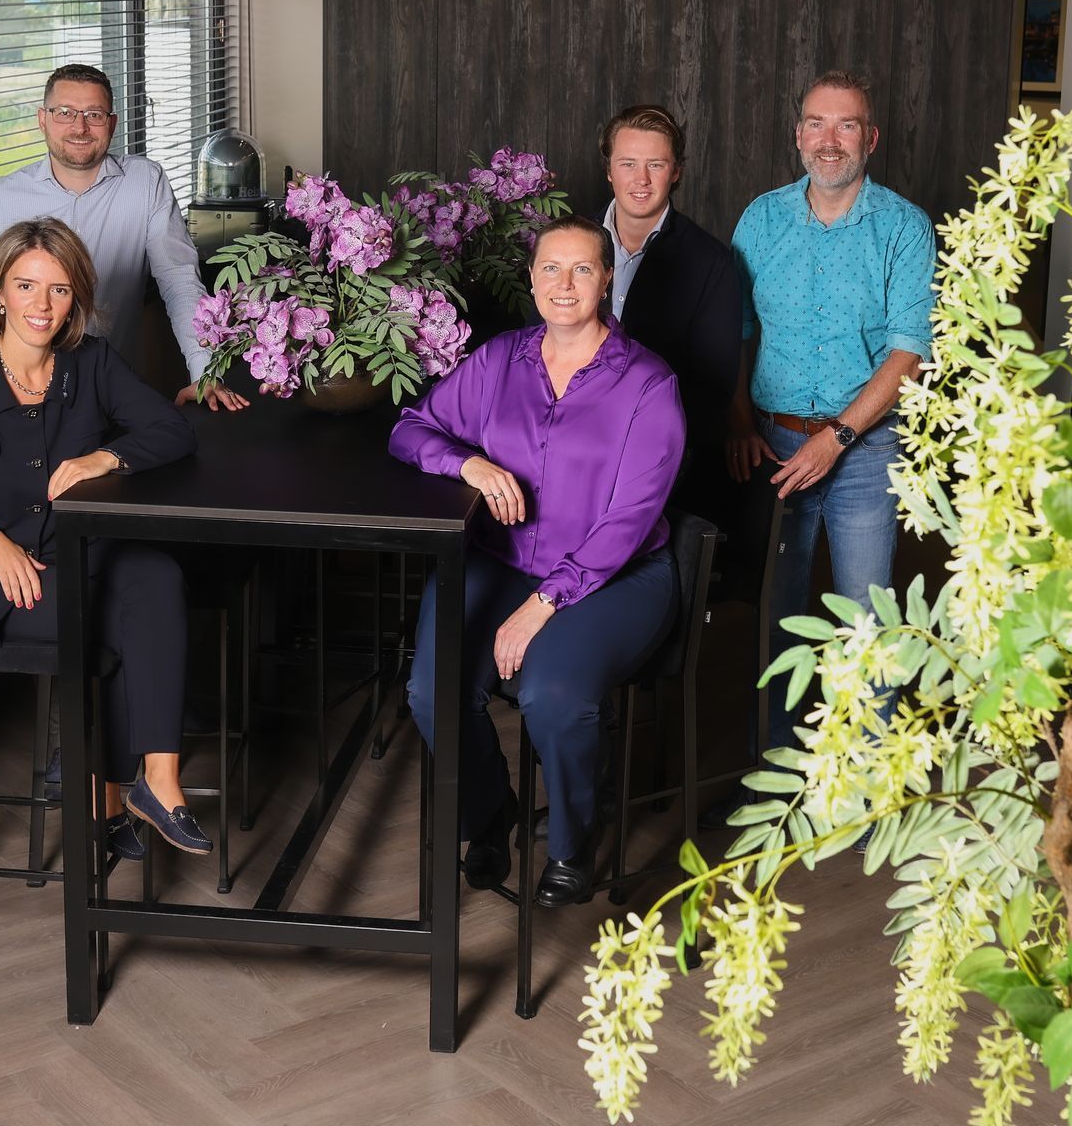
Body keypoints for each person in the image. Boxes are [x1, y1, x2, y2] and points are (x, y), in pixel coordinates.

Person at [0, 218, 212, 861]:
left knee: (156, 575)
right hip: (2, 584)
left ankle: (159, 784)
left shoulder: (90, 365)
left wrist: (104, 460)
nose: (41, 305)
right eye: (26, 286)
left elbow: (174, 431)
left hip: (81, 558)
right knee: (122, 622)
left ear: (76, 299)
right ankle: (109, 799)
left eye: (59, 290)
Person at [390, 215, 685, 906]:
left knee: (552, 696)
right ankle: (490, 812)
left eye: (582, 268)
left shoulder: (649, 383)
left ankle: (574, 845)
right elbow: (411, 428)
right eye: (551, 267)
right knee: (432, 691)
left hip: (614, 578)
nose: (565, 283)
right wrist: (466, 463)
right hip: (499, 558)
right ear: (530, 278)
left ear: (607, 279)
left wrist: (540, 605)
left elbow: (629, 519)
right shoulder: (500, 361)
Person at [728, 70, 937, 753]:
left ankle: (870, 778)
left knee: (867, 620)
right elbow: (736, 333)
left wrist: (839, 437)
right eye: (817, 123)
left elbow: (908, 353)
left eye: (846, 125)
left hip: (866, 450)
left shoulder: (904, 228)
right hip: (769, 444)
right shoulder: (760, 218)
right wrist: (736, 420)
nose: (830, 139)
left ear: (869, 139)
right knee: (776, 616)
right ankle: (778, 765)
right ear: (798, 136)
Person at [0, 62, 246, 415]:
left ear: (112, 123)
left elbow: (179, 282)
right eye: (64, 112)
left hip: (113, 399)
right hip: (19, 401)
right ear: (43, 119)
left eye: (94, 114)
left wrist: (205, 372)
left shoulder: (145, 183)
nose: (79, 127)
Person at [600, 104, 743, 507]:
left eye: (656, 165)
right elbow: (532, 346)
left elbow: (712, 389)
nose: (641, 180)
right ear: (609, 170)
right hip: (564, 449)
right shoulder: (569, 243)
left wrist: (646, 450)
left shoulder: (710, 262)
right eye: (628, 163)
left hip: (657, 466)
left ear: (676, 171)